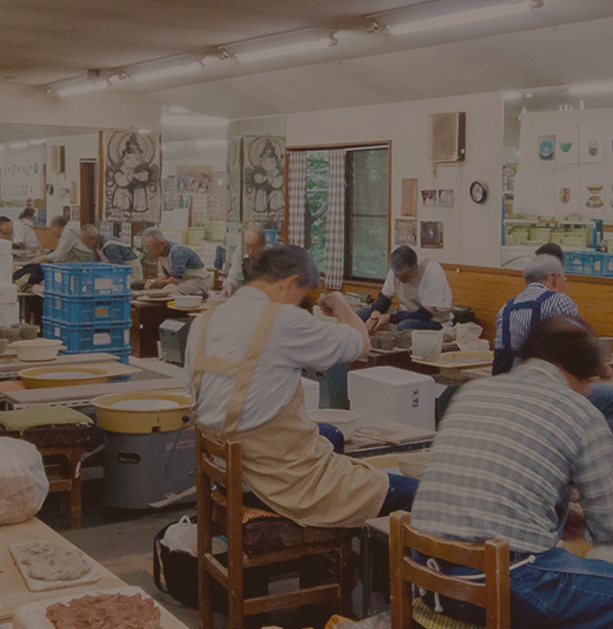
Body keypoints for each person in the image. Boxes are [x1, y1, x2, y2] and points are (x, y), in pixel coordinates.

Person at [410, 316, 613, 629]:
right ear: (575, 372)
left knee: (584, 574)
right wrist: (612, 498)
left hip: (426, 576)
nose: (589, 390)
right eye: (589, 382)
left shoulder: (473, 391)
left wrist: (559, 517)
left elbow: (494, 485)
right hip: (498, 586)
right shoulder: (580, 412)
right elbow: (611, 530)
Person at [186, 245, 415, 526]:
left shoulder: (205, 320)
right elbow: (361, 343)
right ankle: (337, 518)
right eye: (301, 295)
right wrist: (340, 304)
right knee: (415, 493)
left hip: (225, 472)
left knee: (331, 434)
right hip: (272, 484)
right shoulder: (281, 320)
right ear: (290, 283)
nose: (298, 303)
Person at [491, 254, 613, 480]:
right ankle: (605, 475)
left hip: (513, 389)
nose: (564, 284)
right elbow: (577, 349)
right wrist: (602, 369)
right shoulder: (559, 301)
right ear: (554, 278)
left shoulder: (505, 309)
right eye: (564, 279)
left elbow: (500, 358)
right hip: (550, 393)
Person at [363, 246, 451, 332]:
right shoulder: (396, 268)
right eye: (397, 276)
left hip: (435, 320)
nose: (400, 279)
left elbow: (426, 314)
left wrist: (390, 318)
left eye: (404, 276)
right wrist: (375, 313)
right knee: (364, 314)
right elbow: (384, 298)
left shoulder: (432, 272)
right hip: (408, 314)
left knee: (404, 326)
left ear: (415, 268)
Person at [222, 224, 266, 296]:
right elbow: (234, 276)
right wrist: (229, 284)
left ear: (263, 245)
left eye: (254, 247)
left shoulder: (270, 256)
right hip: (245, 294)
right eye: (247, 246)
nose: (250, 251)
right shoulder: (240, 252)